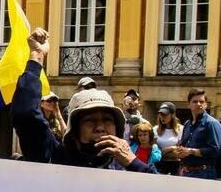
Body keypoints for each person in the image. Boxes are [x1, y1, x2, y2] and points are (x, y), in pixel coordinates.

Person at [11, 27, 156, 173]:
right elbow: (26, 113)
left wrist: (133, 163)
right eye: (89, 120)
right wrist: (37, 55)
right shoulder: (56, 157)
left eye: (107, 119)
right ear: (74, 130)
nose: (100, 127)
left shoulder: (126, 165)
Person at [169, 89, 221, 179]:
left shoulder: (211, 123)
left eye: (201, 101)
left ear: (206, 104)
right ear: (189, 105)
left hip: (204, 172)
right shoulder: (187, 124)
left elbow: (215, 151)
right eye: (195, 101)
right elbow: (184, 145)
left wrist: (190, 151)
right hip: (185, 171)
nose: (198, 104)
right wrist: (179, 152)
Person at [153, 102, 183, 175]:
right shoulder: (155, 129)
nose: (162, 117)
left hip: (175, 166)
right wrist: (171, 148)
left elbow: (178, 153)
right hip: (159, 165)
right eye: (161, 114)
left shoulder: (181, 129)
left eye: (165, 114)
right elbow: (154, 152)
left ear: (172, 115)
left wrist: (162, 152)